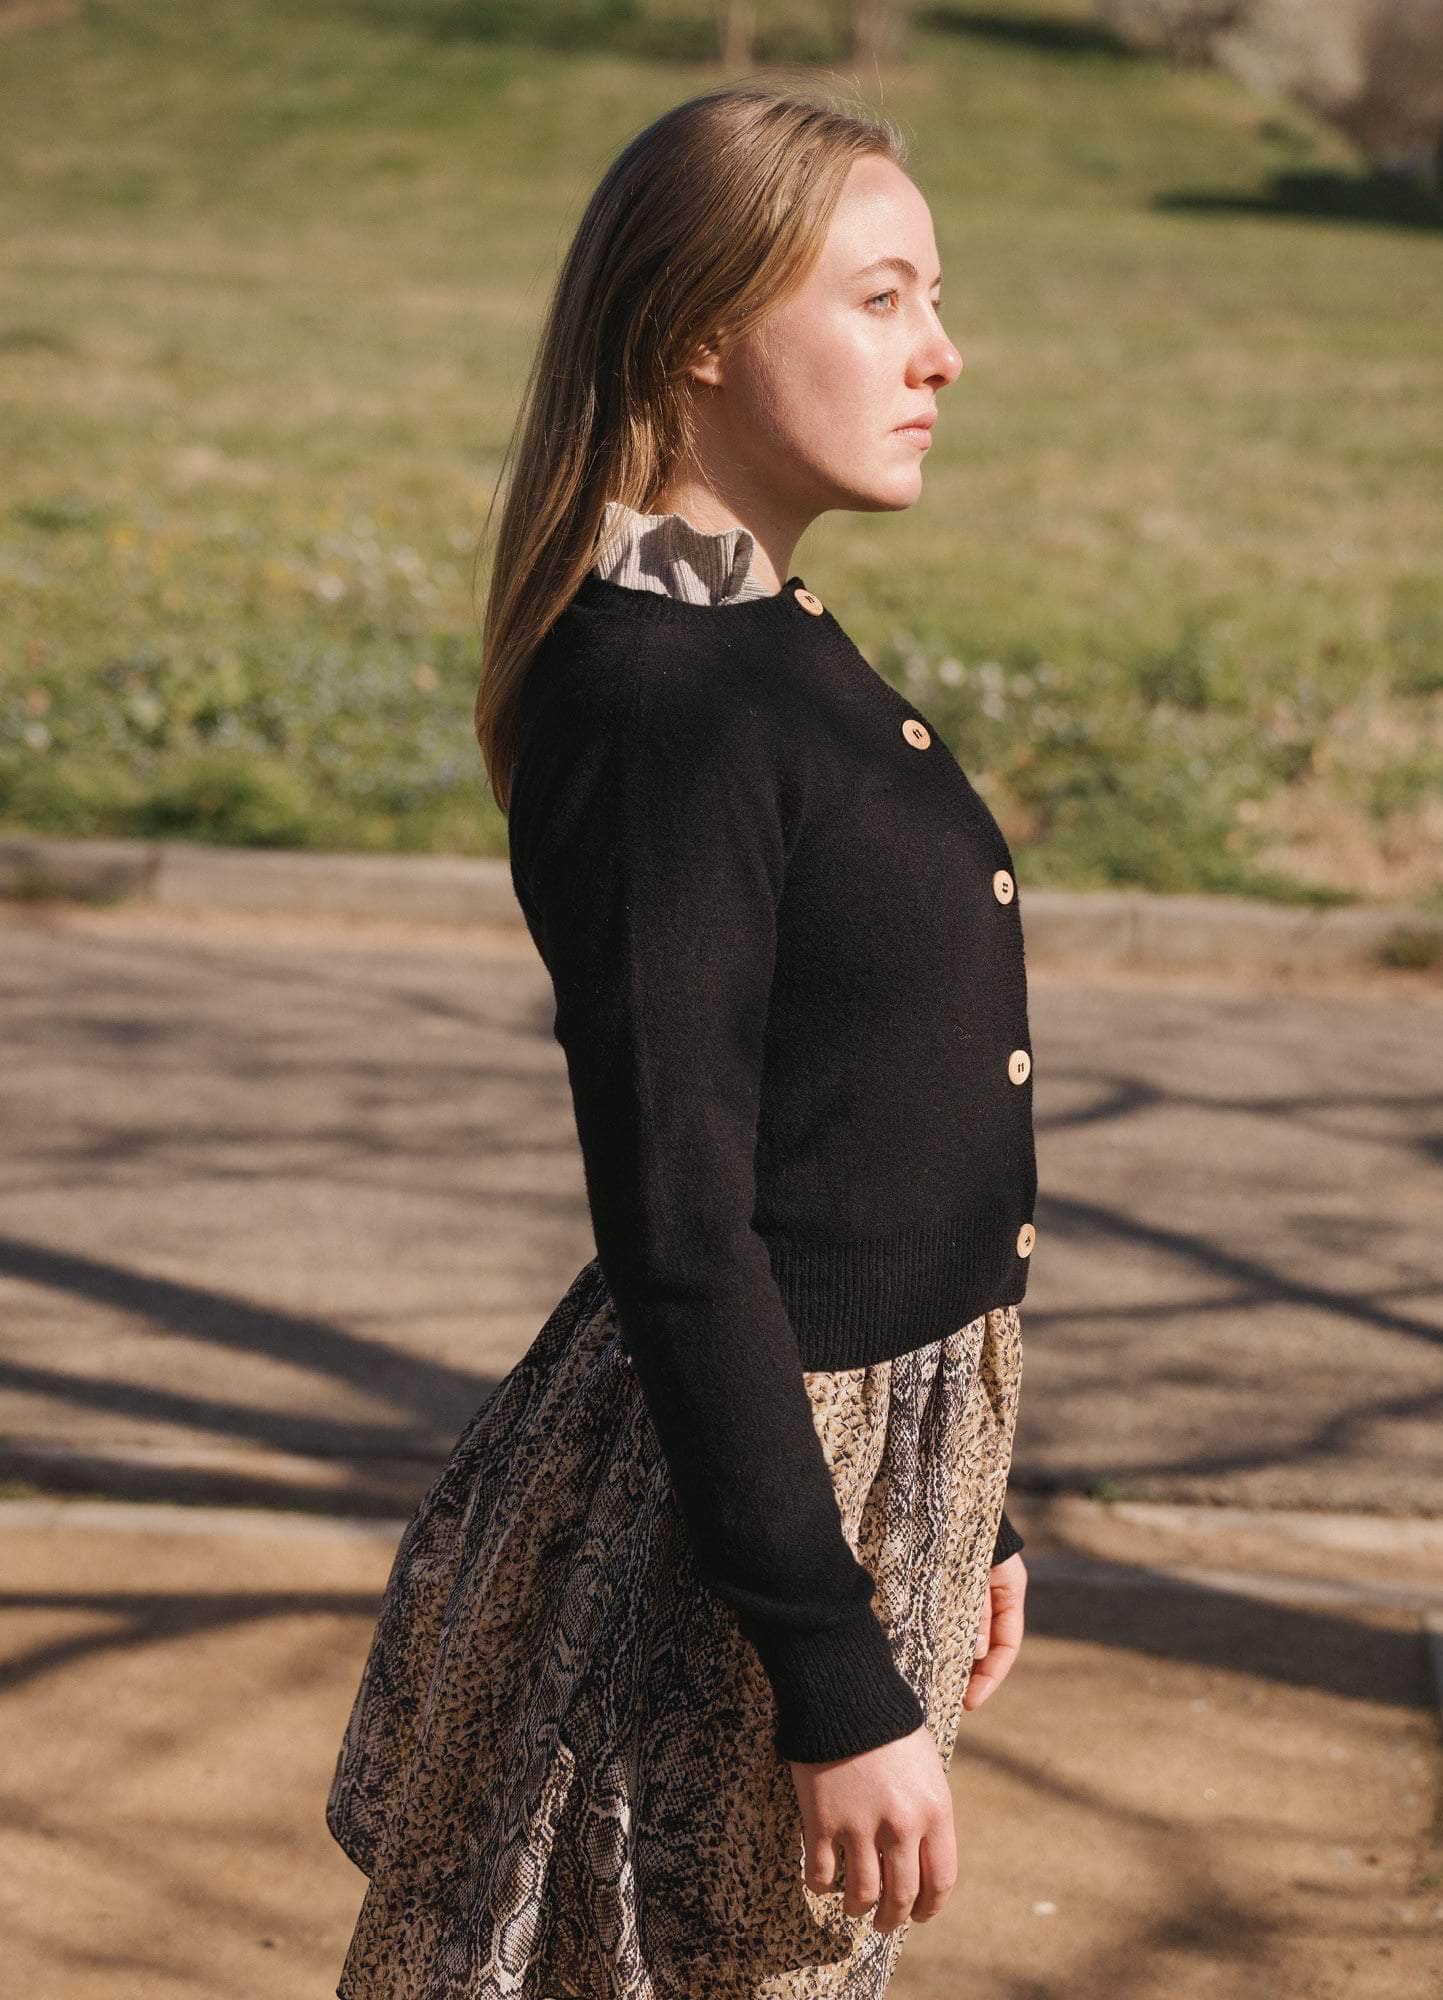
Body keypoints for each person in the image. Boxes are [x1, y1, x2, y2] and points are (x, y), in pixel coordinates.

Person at [325, 80, 1038, 1999]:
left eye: (935, 297)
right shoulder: (661, 703)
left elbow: (850, 1126)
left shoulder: (761, 643)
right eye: (882, 299)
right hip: (716, 1534)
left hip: (851, 1476)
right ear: (703, 330)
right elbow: (685, 1225)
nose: (943, 353)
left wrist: (970, 1501)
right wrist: (828, 1664)